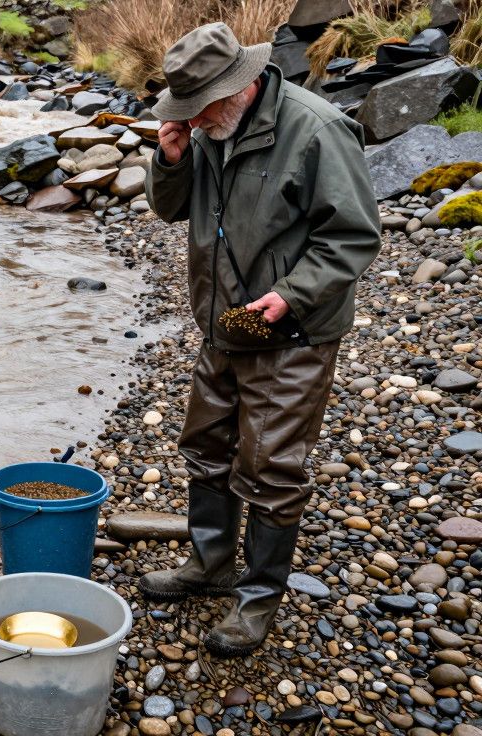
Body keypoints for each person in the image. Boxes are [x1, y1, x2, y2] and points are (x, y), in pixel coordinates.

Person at [140, 23, 381, 657]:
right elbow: (170, 210)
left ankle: (256, 602)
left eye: (199, 108)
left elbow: (354, 236)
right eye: (183, 110)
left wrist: (291, 295)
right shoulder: (208, 129)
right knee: (206, 443)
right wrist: (170, 161)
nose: (191, 120)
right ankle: (211, 563)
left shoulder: (318, 130)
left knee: (271, 468)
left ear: (240, 87)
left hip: (291, 331)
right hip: (224, 323)